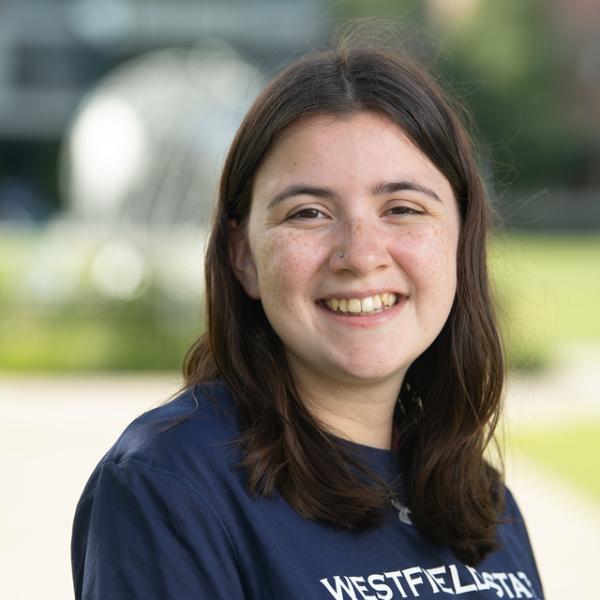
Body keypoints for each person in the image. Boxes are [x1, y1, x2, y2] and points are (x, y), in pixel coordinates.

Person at [71, 36, 544, 599]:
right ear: (243, 255)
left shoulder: (482, 501)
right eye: (309, 213)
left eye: (402, 208)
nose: (361, 255)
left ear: (461, 240)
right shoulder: (171, 487)